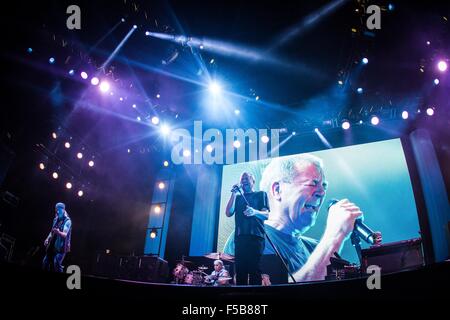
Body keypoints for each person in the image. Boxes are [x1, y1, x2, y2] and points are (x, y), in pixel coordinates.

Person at [224, 154, 381, 282]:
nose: (321, 192)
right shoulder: (249, 239)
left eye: (324, 186)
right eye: (313, 184)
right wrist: (334, 236)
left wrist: (373, 250)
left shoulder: (314, 246)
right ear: (277, 189)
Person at [224, 172, 270, 285]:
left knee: (254, 269)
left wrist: (254, 212)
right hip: (240, 238)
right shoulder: (238, 197)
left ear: (253, 181)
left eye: (246, 178)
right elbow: (228, 213)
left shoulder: (261, 194)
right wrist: (234, 194)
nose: (243, 180)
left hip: (256, 237)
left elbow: (266, 215)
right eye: (242, 178)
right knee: (240, 271)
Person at [42, 202, 72, 272]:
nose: (57, 211)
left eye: (59, 210)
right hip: (53, 244)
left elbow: (64, 235)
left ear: (63, 210)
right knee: (45, 262)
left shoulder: (67, 221)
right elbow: (52, 231)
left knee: (56, 264)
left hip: (62, 246)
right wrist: (47, 239)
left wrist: (58, 232)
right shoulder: (55, 219)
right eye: (56, 210)